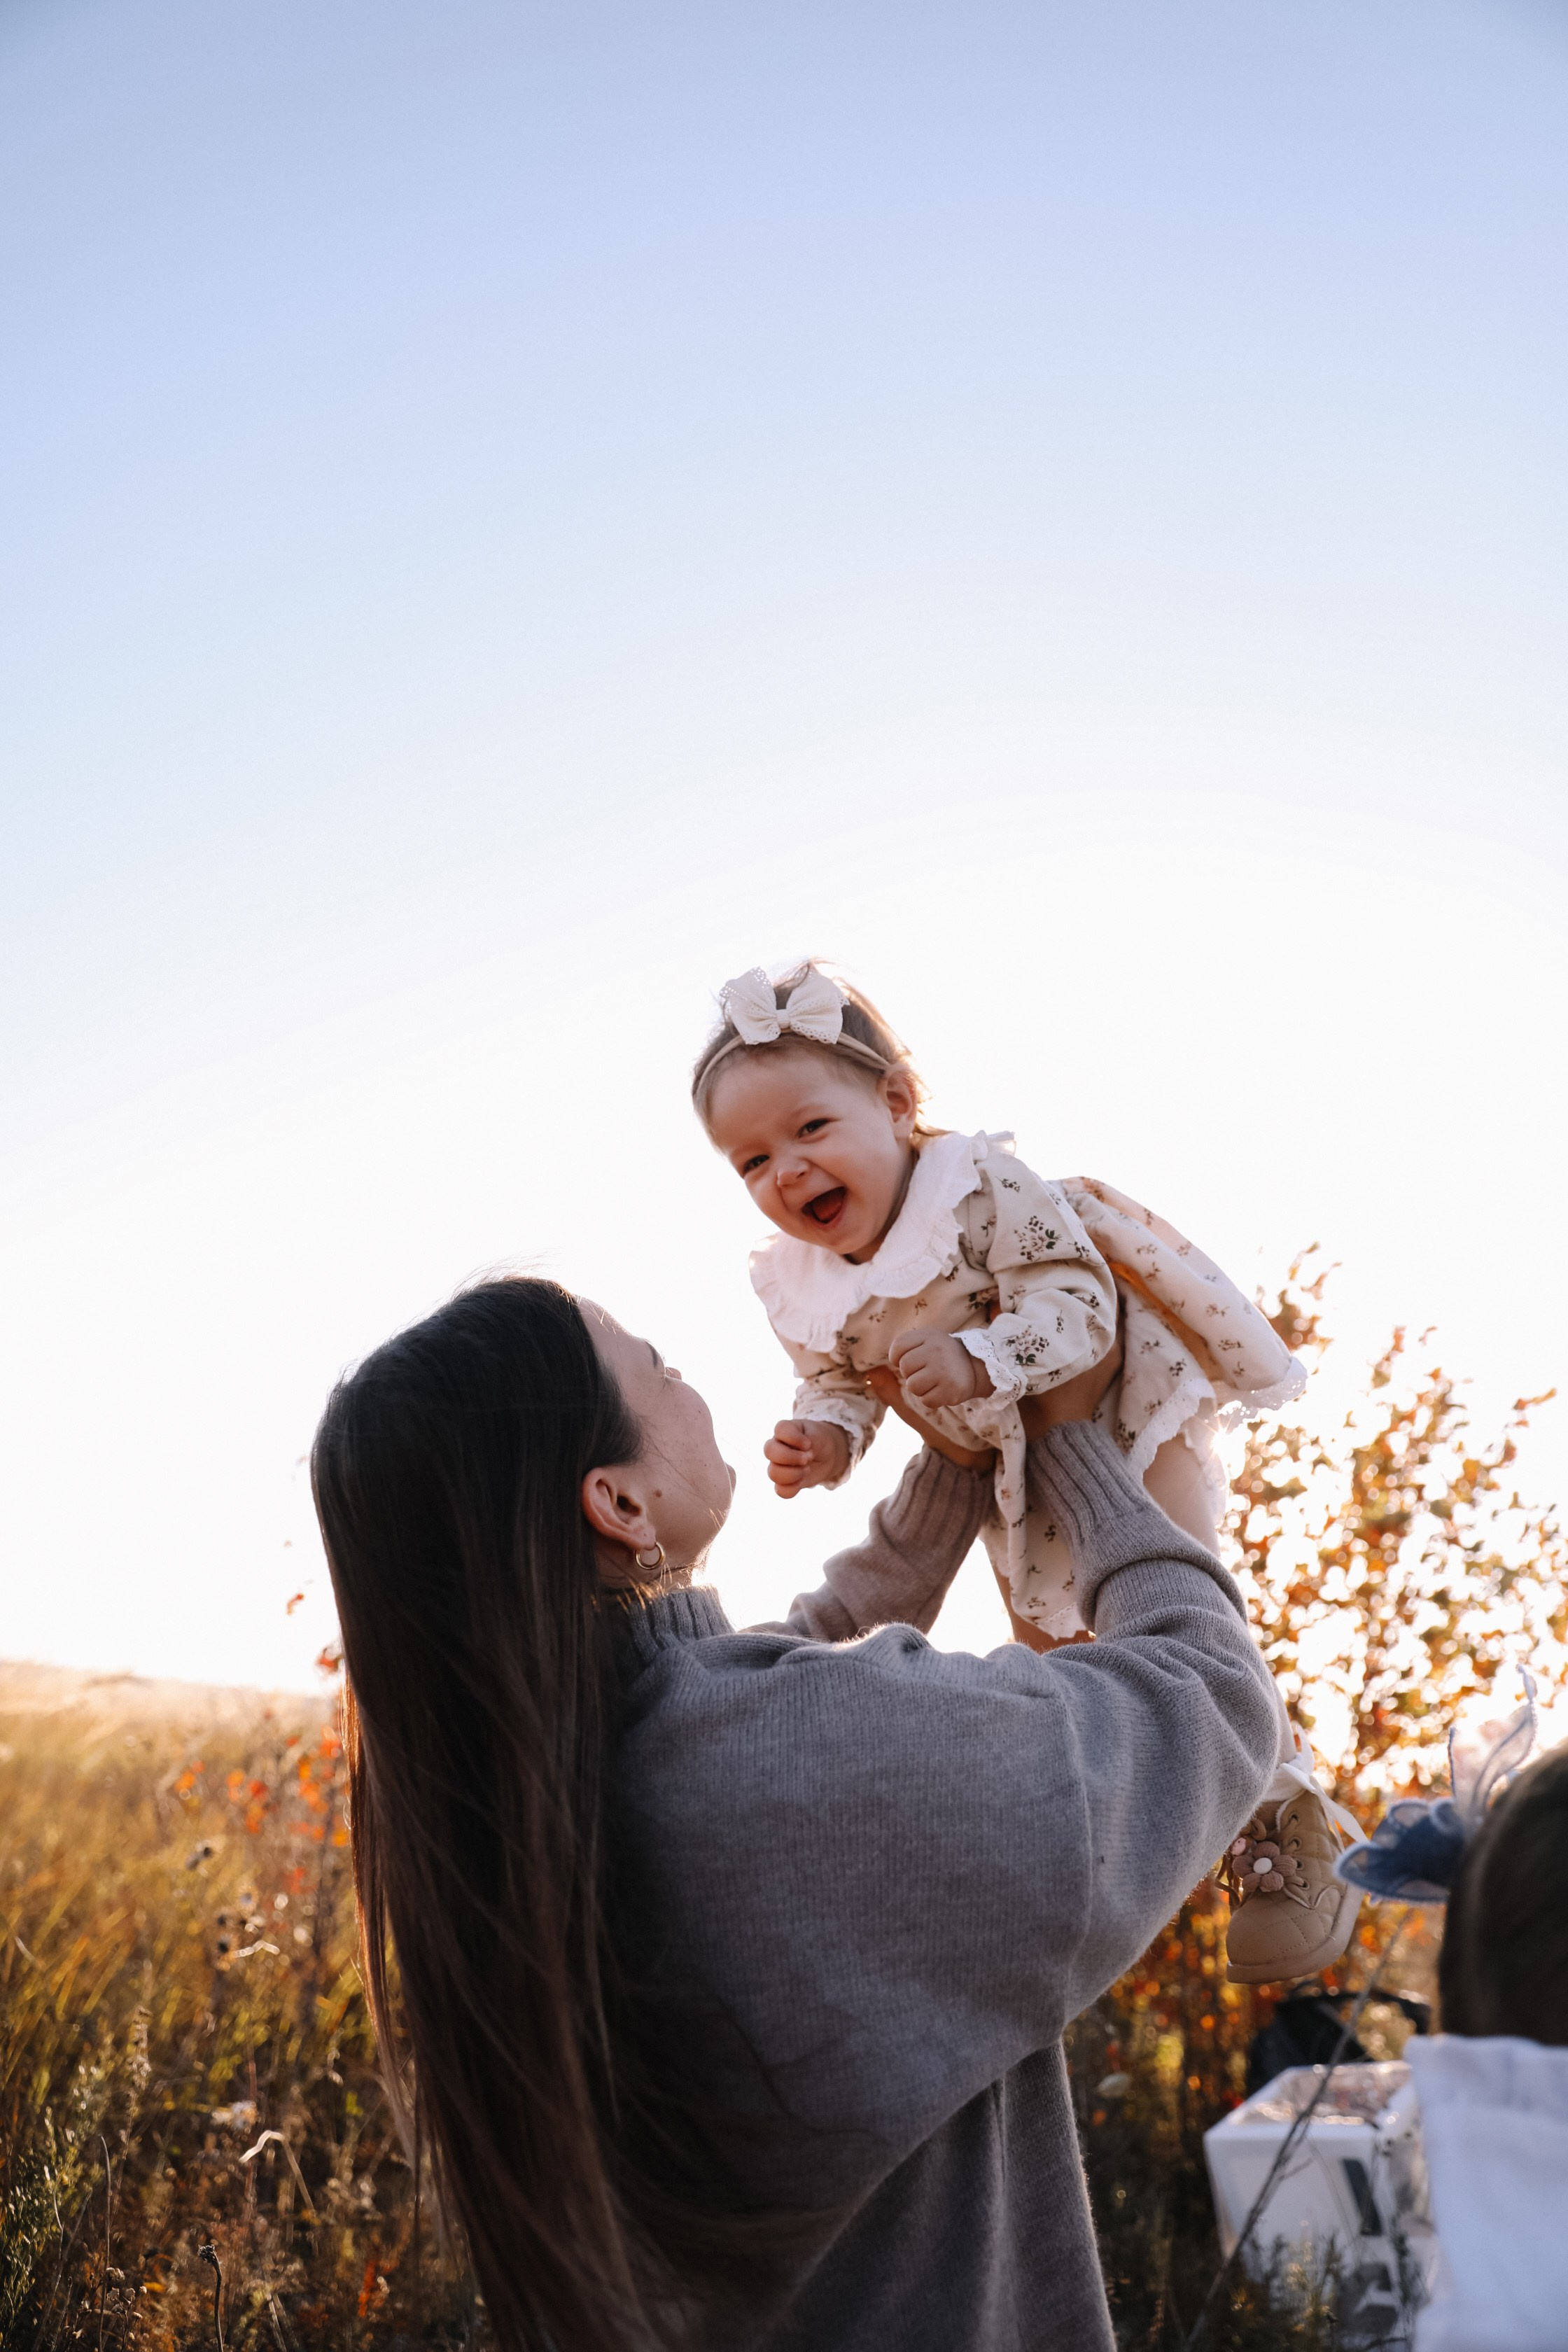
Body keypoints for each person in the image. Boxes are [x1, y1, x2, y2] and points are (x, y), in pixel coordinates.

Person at [311, 1273, 1278, 2352]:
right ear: (619, 1504)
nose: (689, 1386)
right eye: (657, 1368)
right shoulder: (787, 1766)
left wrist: (947, 1490)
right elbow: (1209, 1700)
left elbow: (762, 1685)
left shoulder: (528, 1801)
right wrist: (1070, 1441)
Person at [692, 959, 1360, 1985]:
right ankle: (1199, 1818)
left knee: (1175, 1587)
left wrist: (981, 1360)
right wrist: (825, 1439)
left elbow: (1078, 1301)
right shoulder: (803, 1284)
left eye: (811, 1130)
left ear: (899, 1103)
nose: (785, 1170)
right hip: (1007, 1460)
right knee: (1066, 1642)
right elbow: (842, 1382)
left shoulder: (976, 1186)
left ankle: (1294, 1820)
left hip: (1120, 1400)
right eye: (750, 1161)